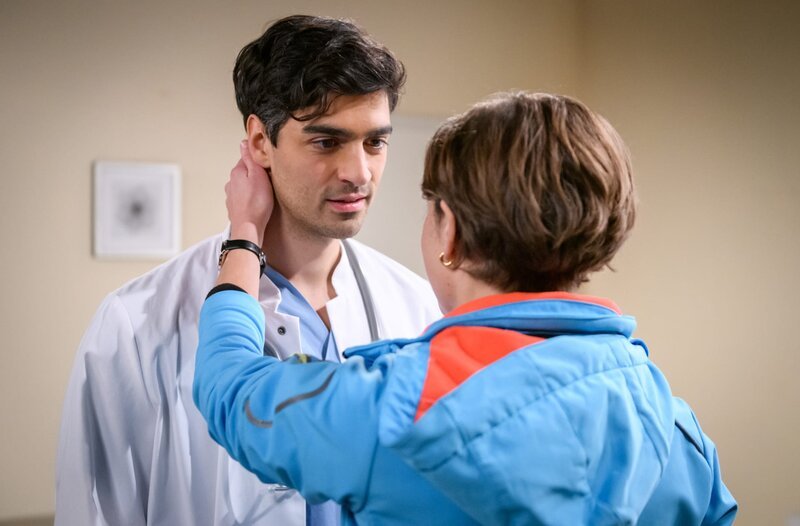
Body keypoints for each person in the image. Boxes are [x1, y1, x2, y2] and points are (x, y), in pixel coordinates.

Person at [194, 92, 739, 525]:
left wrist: (244, 235)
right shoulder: (678, 428)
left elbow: (229, 388)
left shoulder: (399, 406)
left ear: (449, 230)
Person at [56, 15, 440, 526]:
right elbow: (96, 512)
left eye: (375, 142)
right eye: (327, 142)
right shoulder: (134, 325)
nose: (359, 173)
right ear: (260, 141)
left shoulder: (416, 306)